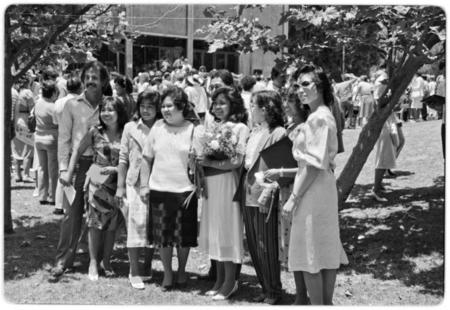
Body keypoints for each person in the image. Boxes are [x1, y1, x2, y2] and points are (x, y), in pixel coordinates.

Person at [282, 64, 348, 305]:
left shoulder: (319, 117)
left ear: (320, 87)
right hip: (322, 187)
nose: (301, 90)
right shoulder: (320, 115)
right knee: (323, 246)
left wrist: (293, 198)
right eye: (298, 85)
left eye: (306, 84)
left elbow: (312, 165)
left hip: (313, 189)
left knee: (311, 248)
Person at [50, 60, 110, 281]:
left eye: (95, 77)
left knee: (100, 212)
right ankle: (63, 260)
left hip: (101, 167)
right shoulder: (71, 105)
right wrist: (65, 169)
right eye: (87, 77)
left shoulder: (110, 104)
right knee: (70, 214)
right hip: (77, 167)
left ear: (104, 81)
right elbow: (64, 140)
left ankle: (100, 259)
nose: (90, 81)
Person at [65, 96, 128, 281]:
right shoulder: (94, 131)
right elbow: (77, 150)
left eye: (111, 110)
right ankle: (93, 262)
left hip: (118, 184)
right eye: (104, 110)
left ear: (119, 113)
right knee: (94, 224)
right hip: (96, 182)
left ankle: (106, 261)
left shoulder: (126, 132)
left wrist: (116, 169)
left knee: (111, 226)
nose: (106, 114)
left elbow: (133, 160)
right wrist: (69, 173)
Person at [142, 86, 198, 291]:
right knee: (163, 236)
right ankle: (167, 273)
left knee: (183, 236)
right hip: (159, 188)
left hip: (185, 190)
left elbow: (198, 161)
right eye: (163, 106)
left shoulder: (193, 128)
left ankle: (182, 270)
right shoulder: (157, 126)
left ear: (181, 107)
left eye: (170, 106)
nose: (165, 110)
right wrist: (143, 185)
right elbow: (146, 158)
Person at [197, 87, 249, 300]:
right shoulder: (212, 127)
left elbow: (237, 161)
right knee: (214, 229)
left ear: (233, 105)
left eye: (223, 103)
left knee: (227, 229)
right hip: (211, 183)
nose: (218, 107)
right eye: (215, 102)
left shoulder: (240, 128)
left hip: (228, 183)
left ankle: (230, 281)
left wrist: (212, 162)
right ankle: (218, 279)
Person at [239, 90, 286, 304]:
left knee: (265, 243)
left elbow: (283, 166)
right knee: (253, 243)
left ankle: (274, 290)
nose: (251, 110)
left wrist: (272, 190)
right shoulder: (254, 131)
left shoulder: (278, 133)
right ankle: (264, 287)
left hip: (264, 194)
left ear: (265, 109)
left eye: (253, 106)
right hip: (247, 191)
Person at [115, 90, 161, 289]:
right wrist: (119, 187)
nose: (146, 110)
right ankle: (133, 269)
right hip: (134, 182)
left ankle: (147, 264)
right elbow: (123, 158)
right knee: (134, 226)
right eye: (143, 106)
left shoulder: (162, 127)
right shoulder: (130, 127)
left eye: (151, 106)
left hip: (159, 182)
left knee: (153, 226)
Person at [53, 75, 83, 215]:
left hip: (61, 137)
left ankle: (59, 204)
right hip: (75, 142)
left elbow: (54, 121)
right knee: (73, 176)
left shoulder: (58, 102)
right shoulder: (79, 102)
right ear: (80, 87)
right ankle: (72, 205)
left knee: (62, 171)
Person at [34, 80, 59, 205]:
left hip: (38, 138)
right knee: (53, 169)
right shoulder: (53, 107)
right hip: (51, 139)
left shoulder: (38, 103)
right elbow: (58, 123)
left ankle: (42, 196)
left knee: (42, 168)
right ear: (53, 92)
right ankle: (53, 197)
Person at [371, 113, 399, 202]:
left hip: (386, 131)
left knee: (384, 162)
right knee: (382, 162)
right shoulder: (387, 109)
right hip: (386, 132)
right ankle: (376, 190)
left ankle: (378, 185)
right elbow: (392, 126)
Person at [12, 76, 35, 183]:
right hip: (25, 122)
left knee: (17, 149)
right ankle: (25, 175)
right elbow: (33, 109)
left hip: (16, 122)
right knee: (29, 148)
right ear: (28, 81)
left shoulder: (15, 92)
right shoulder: (27, 93)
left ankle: (17, 174)